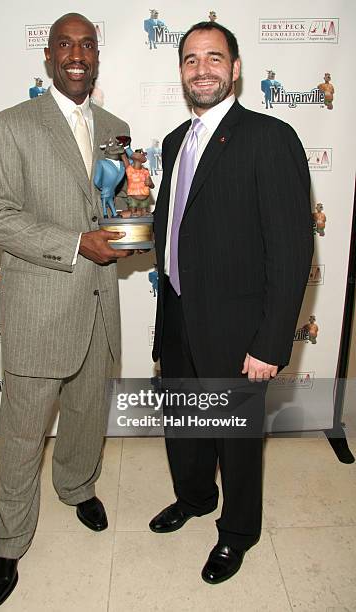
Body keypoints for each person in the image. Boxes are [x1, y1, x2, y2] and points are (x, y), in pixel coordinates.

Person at [0, 13, 130, 608]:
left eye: (87, 44)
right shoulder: (10, 126)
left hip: (100, 305)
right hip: (39, 309)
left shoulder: (115, 128)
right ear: (48, 56)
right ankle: (8, 544)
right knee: (21, 434)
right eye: (65, 44)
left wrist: (129, 230)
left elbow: (117, 203)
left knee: (88, 414)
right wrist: (73, 243)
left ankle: (77, 486)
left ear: (97, 55)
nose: (77, 54)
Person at [150, 21, 313, 585]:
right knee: (185, 430)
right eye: (191, 60)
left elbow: (292, 252)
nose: (202, 70)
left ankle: (238, 531)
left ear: (235, 68)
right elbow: (179, 230)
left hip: (239, 330)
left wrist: (271, 341)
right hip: (177, 319)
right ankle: (194, 498)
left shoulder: (270, 138)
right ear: (181, 72)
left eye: (214, 59)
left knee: (237, 442)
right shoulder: (175, 142)